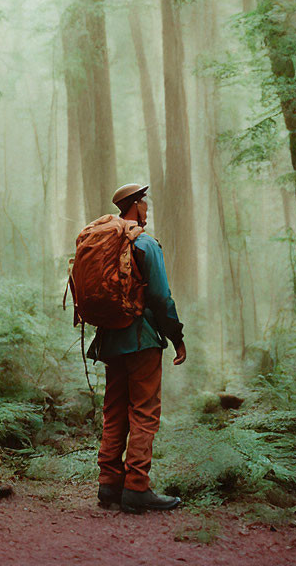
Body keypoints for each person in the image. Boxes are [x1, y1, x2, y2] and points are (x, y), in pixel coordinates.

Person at [88, 182, 187, 513]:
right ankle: (136, 488)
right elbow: (160, 297)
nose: (147, 207)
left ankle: (108, 486)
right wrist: (177, 337)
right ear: (135, 205)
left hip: (111, 340)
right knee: (144, 411)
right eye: (144, 202)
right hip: (141, 339)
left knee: (114, 411)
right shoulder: (144, 243)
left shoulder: (108, 242)